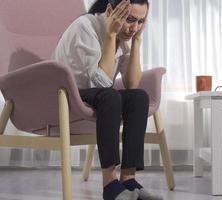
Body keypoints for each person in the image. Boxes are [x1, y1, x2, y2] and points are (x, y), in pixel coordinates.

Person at [52, 0, 163, 199]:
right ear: (111, 11)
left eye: (140, 21)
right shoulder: (85, 27)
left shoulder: (127, 35)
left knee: (139, 97)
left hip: (98, 95)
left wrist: (137, 41)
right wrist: (111, 35)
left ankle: (129, 180)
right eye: (130, 19)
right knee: (111, 96)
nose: (133, 27)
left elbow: (132, 84)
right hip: (71, 94)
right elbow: (102, 82)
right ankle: (110, 184)